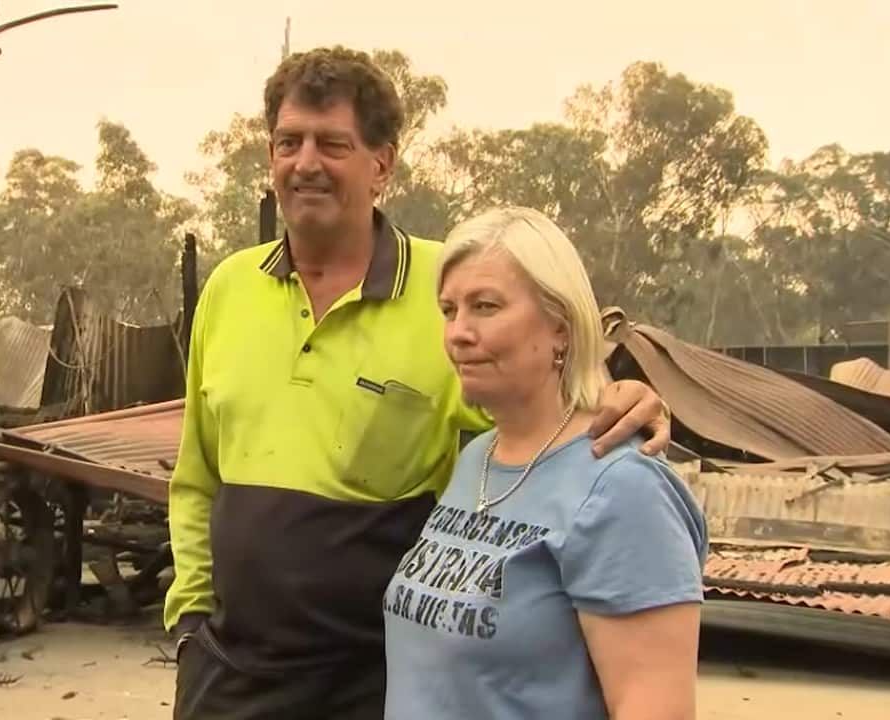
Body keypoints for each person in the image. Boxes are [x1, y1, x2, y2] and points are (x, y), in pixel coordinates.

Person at [166, 46, 672, 720]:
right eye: (289, 142)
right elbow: (198, 477)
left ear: (383, 162)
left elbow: (540, 418)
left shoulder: (449, 287)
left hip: (375, 680)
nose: (305, 162)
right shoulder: (229, 289)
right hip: (227, 676)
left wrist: (614, 396)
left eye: (332, 143)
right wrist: (191, 624)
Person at [383, 206, 707, 720]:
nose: (458, 333)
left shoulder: (622, 488)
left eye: (485, 306)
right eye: (449, 310)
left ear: (560, 325)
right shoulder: (476, 460)